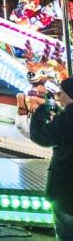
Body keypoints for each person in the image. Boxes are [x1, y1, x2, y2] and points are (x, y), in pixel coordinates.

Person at [30, 77, 73, 239]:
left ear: (69, 95)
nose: (60, 96)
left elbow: (40, 136)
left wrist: (41, 112)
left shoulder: (67, 120)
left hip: (67, 191)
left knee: (66, 232)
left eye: (62, 93)